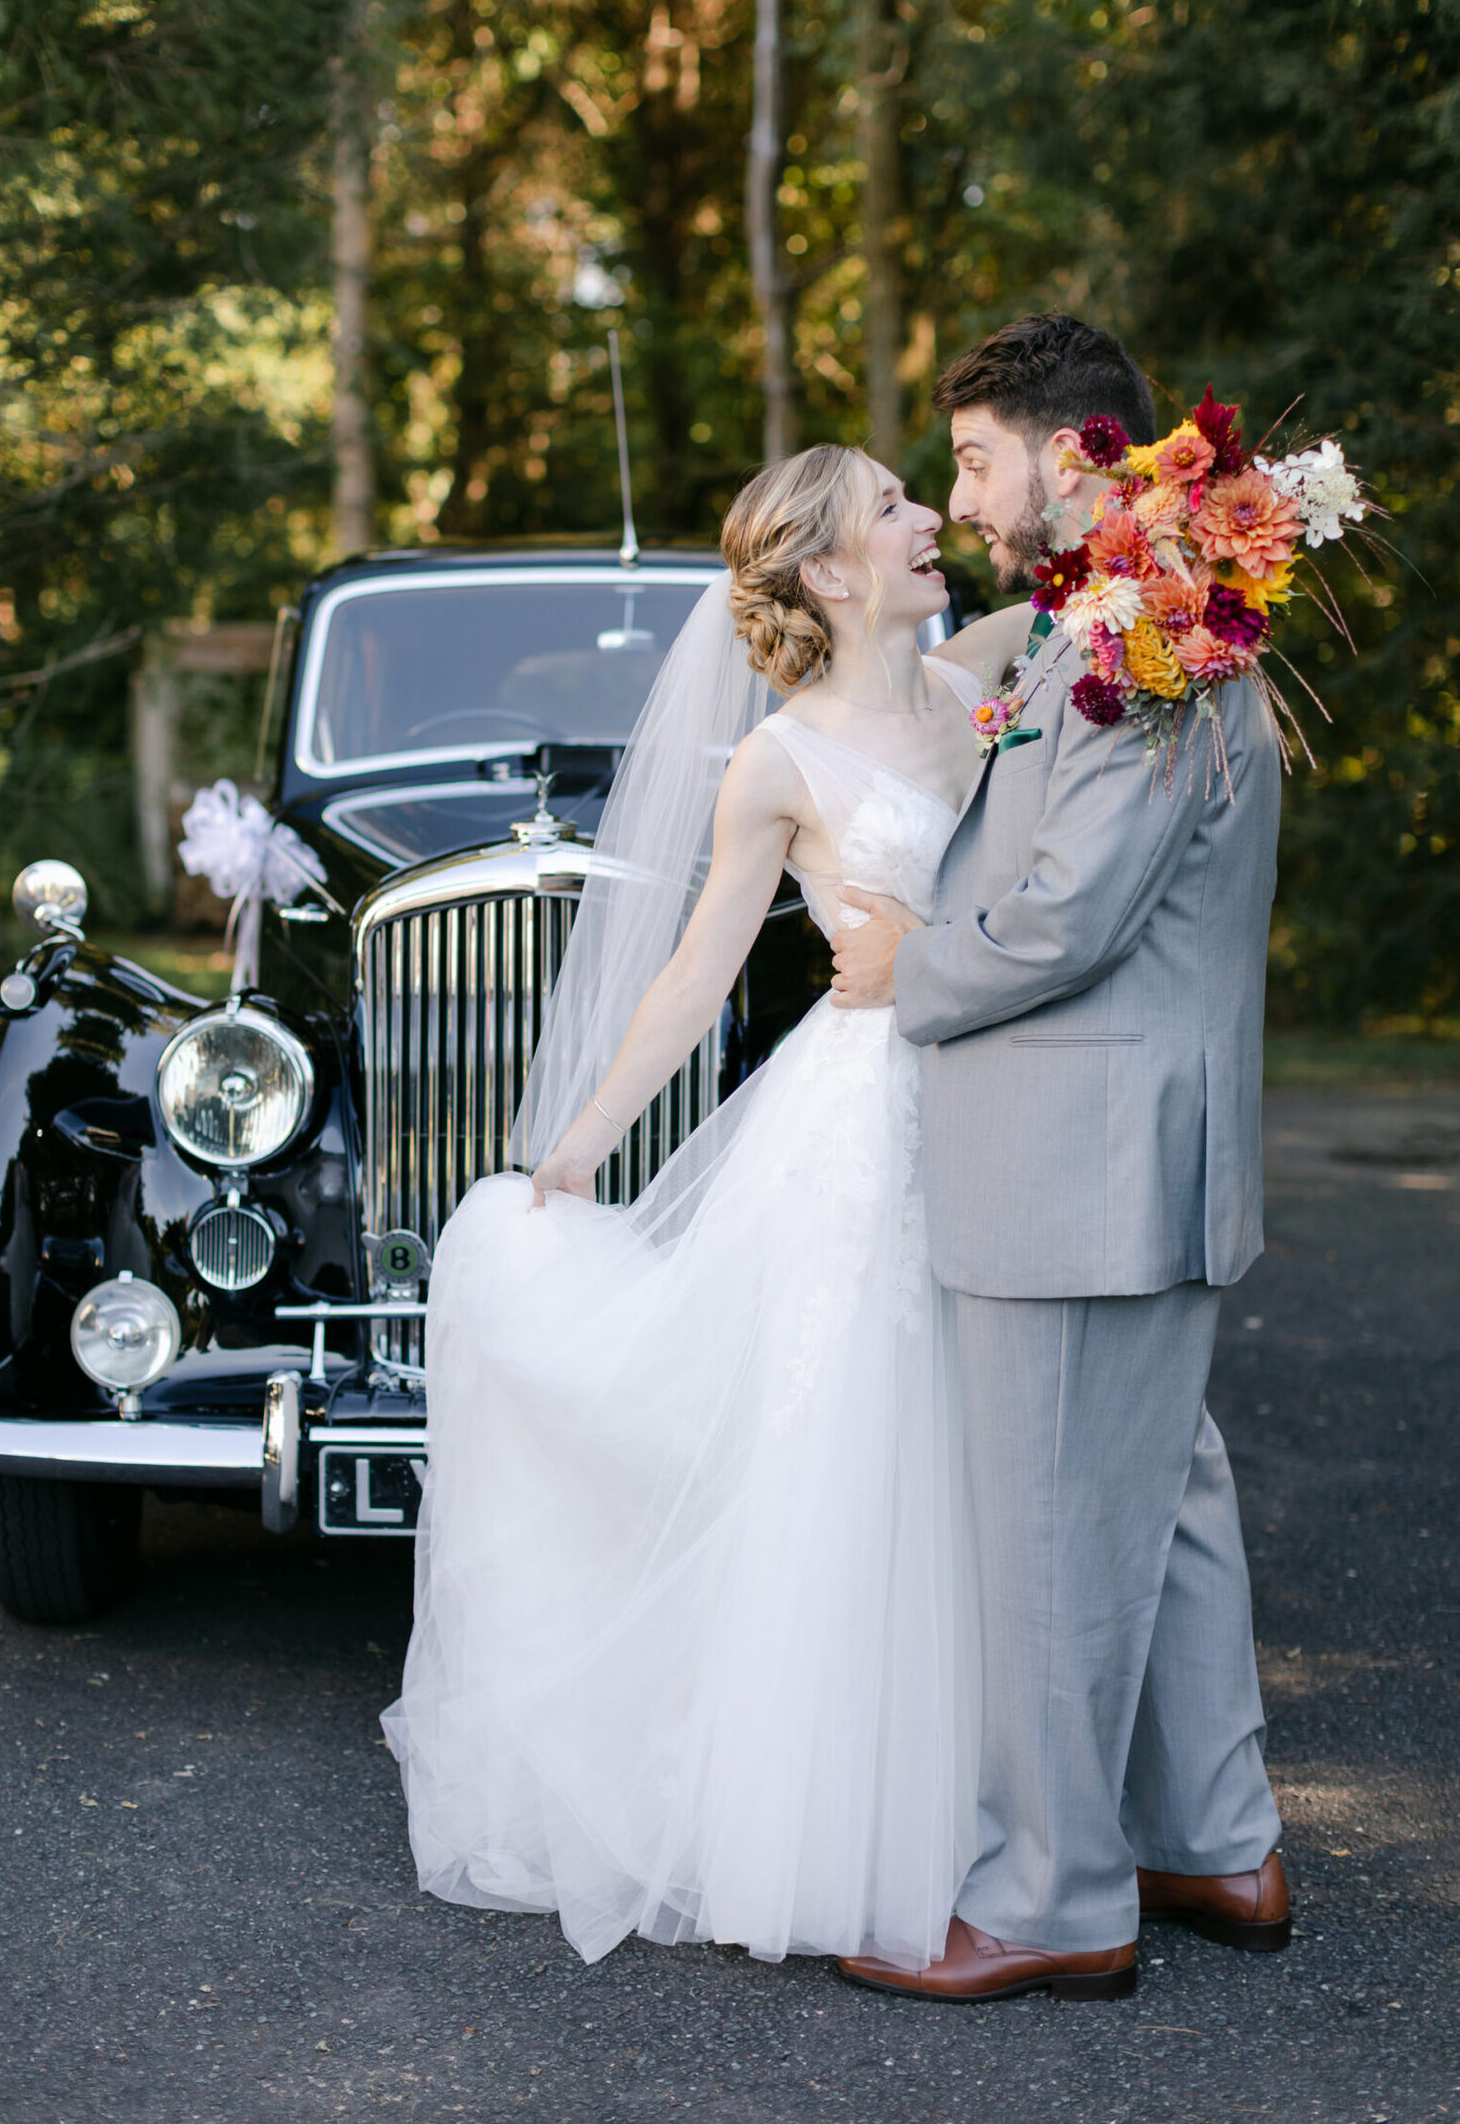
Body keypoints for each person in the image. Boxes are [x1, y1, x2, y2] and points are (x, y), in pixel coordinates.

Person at [383, 444, 1029, 1972]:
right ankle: (838, 1829)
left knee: (994, 1458)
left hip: (1005, 1099)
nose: (931, 517)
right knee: (854, 1452)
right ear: (826, 571)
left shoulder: (990, 673)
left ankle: (1024, 1811)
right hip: (864, 1130)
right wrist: (579, 1148)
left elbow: (1118, 623)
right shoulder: (780, 766)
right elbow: (697, 971)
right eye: (893, 504)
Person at [830, 313, 1289, 2004]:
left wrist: (904, 972)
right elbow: (988, 670)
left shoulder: (1148, 640)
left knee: (1045, 1530)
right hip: (1128, 1151)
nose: (957, 497)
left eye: (969, 460)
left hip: (1077, 1160)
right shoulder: (1122, 614)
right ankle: (1216, 1842)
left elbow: (1067, 913)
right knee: (1162, 1503)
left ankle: (1055, 1894)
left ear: (1073, 451)